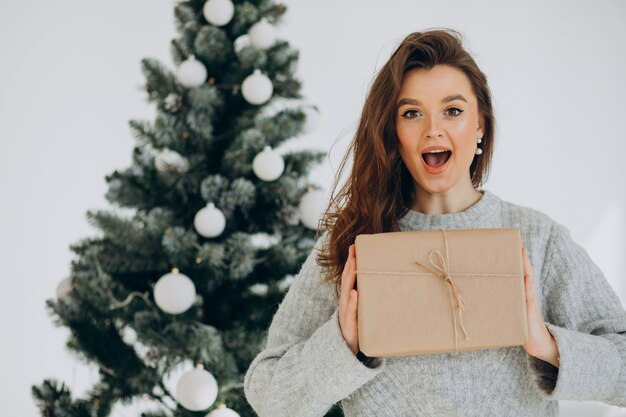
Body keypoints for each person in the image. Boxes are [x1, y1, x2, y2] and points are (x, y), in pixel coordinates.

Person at [243, 28, 626, 417]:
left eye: (453, 111)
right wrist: (341, 343)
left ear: (480, 125)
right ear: (395, 132)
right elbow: (269, 396)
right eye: (411, 113)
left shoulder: (538, 239)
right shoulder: (353, 243)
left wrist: (546, 344)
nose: (433, 129)